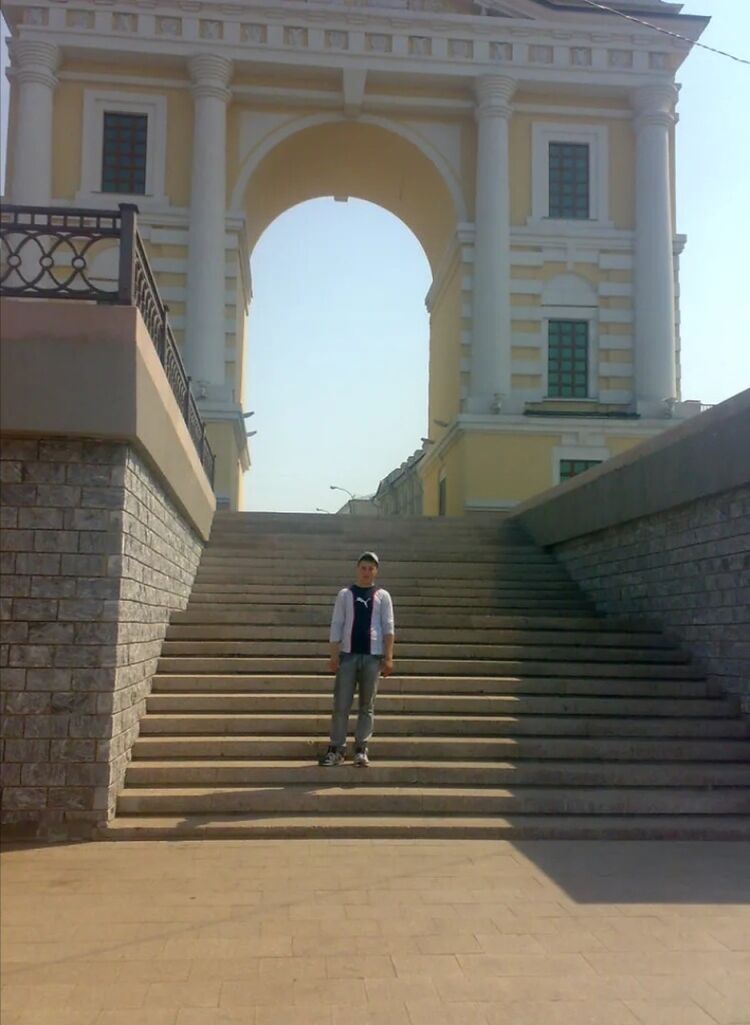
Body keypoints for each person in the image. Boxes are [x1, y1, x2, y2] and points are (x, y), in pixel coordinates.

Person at [319, 551, 395, 768]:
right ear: (357, 569)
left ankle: (361, 749)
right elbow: (337, 624)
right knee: (341, 704)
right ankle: (336, 749)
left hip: (372, 657)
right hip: (348, 656)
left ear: (376, 571)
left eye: (371, 568)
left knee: (366, 705)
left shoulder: (383, 596)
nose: (366, 572)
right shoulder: (345, 594)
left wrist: (388, 657)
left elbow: (388, 628)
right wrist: (334, 655)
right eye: (363, 568)